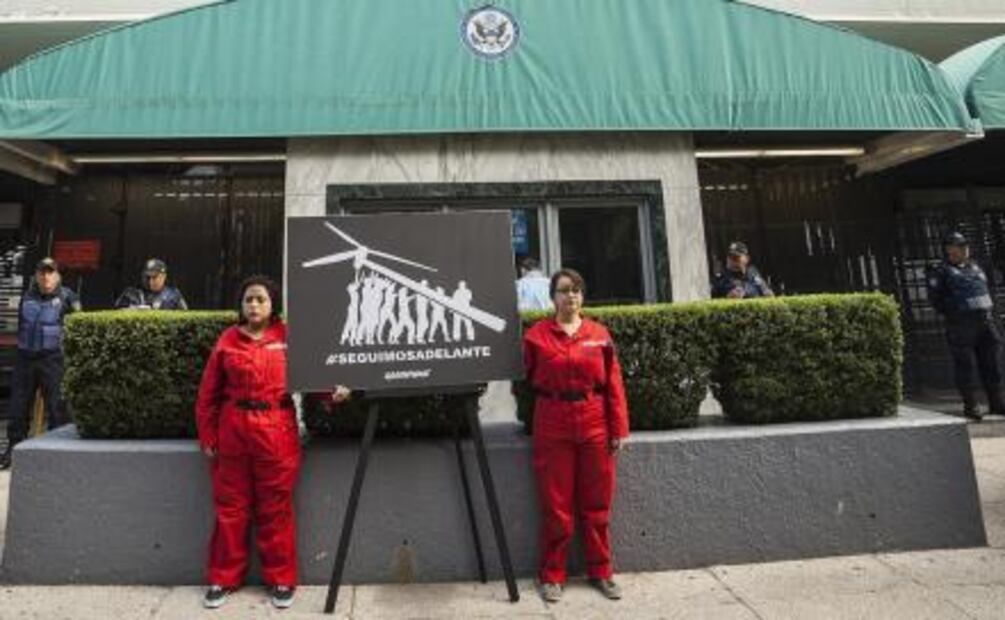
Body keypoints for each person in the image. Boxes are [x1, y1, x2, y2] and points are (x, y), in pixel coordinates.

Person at [195, 275, 351, 609]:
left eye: (260, 299)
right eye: (248, 299)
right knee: (230, 508)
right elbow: (208, 395)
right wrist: (208, 435)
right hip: (233, 432)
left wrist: (332, 392)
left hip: (276, 432)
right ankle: (223, 577)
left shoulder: (288, 337)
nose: (253, 305)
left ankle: (281, 579)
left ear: (272, 304)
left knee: (275, 509)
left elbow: (311, 376)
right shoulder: (228, 340)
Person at [522, 268, 629, 603]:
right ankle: (552, 574)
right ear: (552, 297)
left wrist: (619, 428)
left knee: (597, 503)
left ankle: (601, 570)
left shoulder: (599, 334)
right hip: (553, 422)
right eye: (564, 290)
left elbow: (613, 384)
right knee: (556, 503)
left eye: (577, 290)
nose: (571, 296)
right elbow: (523, 380)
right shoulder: (536, 336)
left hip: (595, 421)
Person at [0, 258, 81, 470]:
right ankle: (13, 448)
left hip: (53, 360)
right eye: (42, 273)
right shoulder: (26, 297)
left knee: (58, 408)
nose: (46, 277)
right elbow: (21, 326)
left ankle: (58, 450)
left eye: (50, 272)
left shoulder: (69, 297)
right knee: (18, 406)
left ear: (57, 275)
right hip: (25, 358)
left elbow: (78, 332)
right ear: (36, 275)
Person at [927, 231, 1005, 421]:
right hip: (961, 325)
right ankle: (971, 406)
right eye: (958, 246)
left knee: (991, 365)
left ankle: (996, 403)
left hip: (984, 322)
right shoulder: (942, 271)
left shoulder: (975, 267)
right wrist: (955, 312)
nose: (963, 249)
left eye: (964, 246)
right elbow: (936, 300)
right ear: (948, 249)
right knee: (965, 367)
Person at [115, 258, 188, 310]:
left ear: (163, 276)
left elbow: (185, 317)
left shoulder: (173, 295)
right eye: (148, 277)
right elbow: (117, 311)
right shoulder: (133, 294)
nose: (151, 281)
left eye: (155, 277)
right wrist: (135, 309)